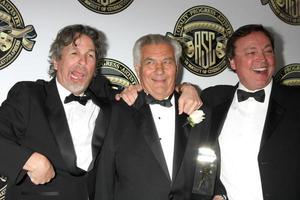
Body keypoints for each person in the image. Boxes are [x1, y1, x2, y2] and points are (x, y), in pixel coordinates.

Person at [0, 24, 201, 200]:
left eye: (90, 56)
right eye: (74, 53)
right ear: (55, 60)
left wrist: (186, 88)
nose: (82, 62)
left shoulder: (106, 97)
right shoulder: (29, 95)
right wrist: (29, 160)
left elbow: (156, 88)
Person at [93, 34, 226, 200]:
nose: (159, 70)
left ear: (177, 67)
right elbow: (104, 181)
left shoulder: (200, 110)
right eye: (150, 62)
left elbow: (206, 171)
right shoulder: (116, 112)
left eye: (167, 61)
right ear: (137, 68)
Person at [201, 24, 300, 200]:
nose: (262, 59)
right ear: (232, 62)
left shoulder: (295, 102)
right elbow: (204, 156)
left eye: (268, 51)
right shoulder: (213, 100)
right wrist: (214, 192)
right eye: (251, 53)